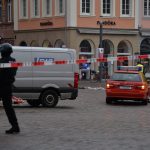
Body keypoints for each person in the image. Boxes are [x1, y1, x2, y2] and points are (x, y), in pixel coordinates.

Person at [0, 43, 20, 134]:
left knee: (8, 107)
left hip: (1, 86)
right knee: (8, 107)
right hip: (8, 87)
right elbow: (13, 73)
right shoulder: (13, 61)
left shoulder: (1, 62)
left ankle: (15, 126)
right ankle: (15, 126)